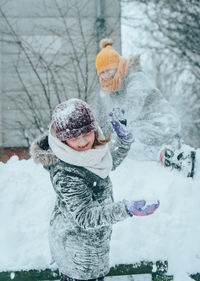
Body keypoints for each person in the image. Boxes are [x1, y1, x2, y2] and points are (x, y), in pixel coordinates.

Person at [30, 98, 159, 281]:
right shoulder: (66, 171)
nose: (83, 141)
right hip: (78, 256)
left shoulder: (84, 154)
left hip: (92, 245)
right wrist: (126, 209)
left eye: (87, 133)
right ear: (62, 139)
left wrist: (123, 141)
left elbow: (106, 164)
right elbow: (85, 216)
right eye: (74, 137)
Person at [93, 38, 196, 178]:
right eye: (102, 73)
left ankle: (175, 158)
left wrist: (120, 123)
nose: (105, 76)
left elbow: (132, 106)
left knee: (128, 144)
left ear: (118, 66)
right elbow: (111, 119)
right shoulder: (112, 91)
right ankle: (167, 154)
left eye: (108, 70)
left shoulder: (136, 78)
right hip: (143, 128)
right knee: (121, 146)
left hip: (162, 122)